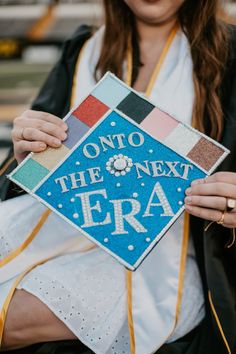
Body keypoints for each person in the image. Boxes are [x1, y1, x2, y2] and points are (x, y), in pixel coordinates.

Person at [0, 0, 236, 353]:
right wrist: (30, 154)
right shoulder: (83, 52)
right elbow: (32, 168)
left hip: (172, 263)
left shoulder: (229, 56)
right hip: (64, 230)